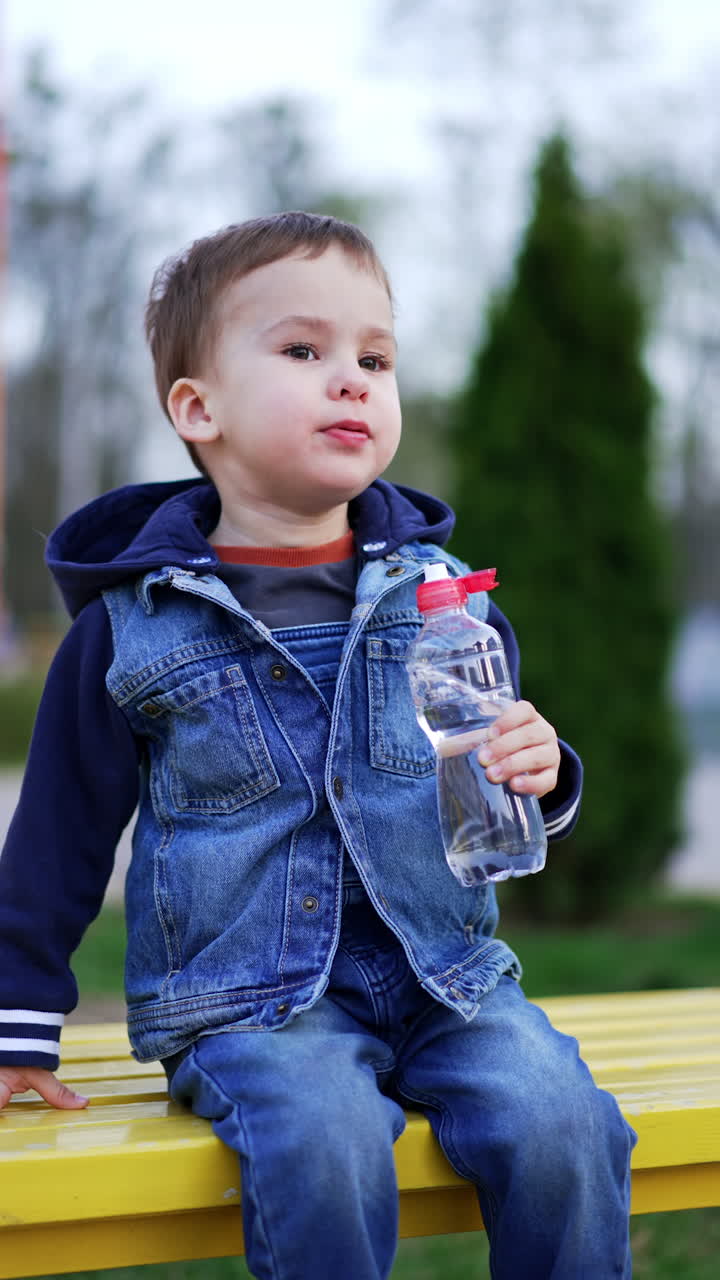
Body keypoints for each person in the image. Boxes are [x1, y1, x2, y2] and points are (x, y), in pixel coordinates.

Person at [0, 211, 635, 1279]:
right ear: (197, 408)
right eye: (303, 350)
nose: (351, 378)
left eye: (374, 357)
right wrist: (16, 1022)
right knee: (327, 1142)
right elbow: (58, 830)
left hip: (452, 982)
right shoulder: (136, 622)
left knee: (564, 1122)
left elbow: (498, 777)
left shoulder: (444, 598)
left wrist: (543, 770)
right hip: (251, 1005)